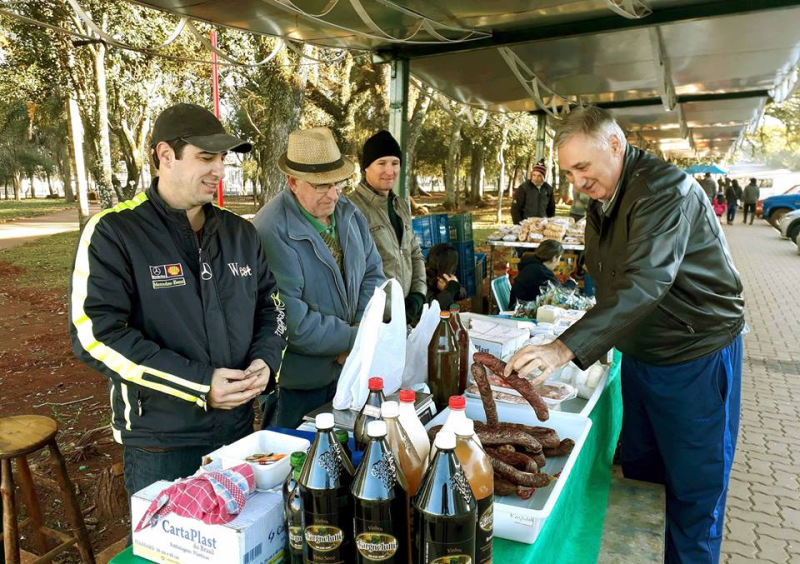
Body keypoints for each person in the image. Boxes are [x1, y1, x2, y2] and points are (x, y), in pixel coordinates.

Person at [506, 106, 744, 564]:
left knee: (694, 491)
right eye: (568, 171)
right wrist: (596, 340)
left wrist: (564, 348)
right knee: (640, 474)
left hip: (694, 354)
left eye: (583, 167)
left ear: (615, 145)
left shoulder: (663, 190)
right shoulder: (605, 195)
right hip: (642, 353)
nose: (576, 181)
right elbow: (611, 280)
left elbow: (645, 283)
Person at [69, 103, 288, 507]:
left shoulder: (240, 232)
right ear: (165, 156)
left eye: (222, 159)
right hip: (161, 441)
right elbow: (95, 334)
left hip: (238, 428)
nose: (219, 171)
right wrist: (200, 384)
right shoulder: (115, 232)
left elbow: (271, 305)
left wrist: (266, 361)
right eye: (206, 158)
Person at [253, 127, 384, 429]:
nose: (334, 194)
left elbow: (373, 275)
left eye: (337, 183)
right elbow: (291, 319)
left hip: (350, 372)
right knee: (298, 468)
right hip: (298, 386)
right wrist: (355, 339)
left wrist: (360, 335)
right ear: (293, 182)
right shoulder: (271, 229)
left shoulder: (348, 212)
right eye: (321, 186)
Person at [349, 130, 426, 325]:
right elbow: (354, 273)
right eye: (381, 163)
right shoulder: (351, 209)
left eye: (395, 163)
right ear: (366, 167)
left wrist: (418, 295)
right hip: (374, 320)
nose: (390, 171)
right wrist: (387, 312)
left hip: (405, 316)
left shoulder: (400, 206)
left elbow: (414, 253)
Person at [508, 240, 570, 308]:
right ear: (554, 258)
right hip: (521, 312)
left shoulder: (531, 265)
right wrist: (571, 284)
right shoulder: (541, 272)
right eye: (559, 259)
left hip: (520, 307)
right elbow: (561, 293)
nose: (558, 264)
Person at [511, 159, 556, 224]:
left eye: (539, 176)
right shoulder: (523, 188)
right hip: (526, 224)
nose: (535, 178)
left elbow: (551, 209)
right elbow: (515, 209)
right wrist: (519, 224)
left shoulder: (548, 189)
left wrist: (549, 223)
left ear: (543, 176)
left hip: (542, 224)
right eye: (534, 175)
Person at [424, 243, 467, 310]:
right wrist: (449, 290)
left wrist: (452, 288)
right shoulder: (424, 279)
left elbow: (463, 293)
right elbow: (433, 309)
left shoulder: (446, 277)